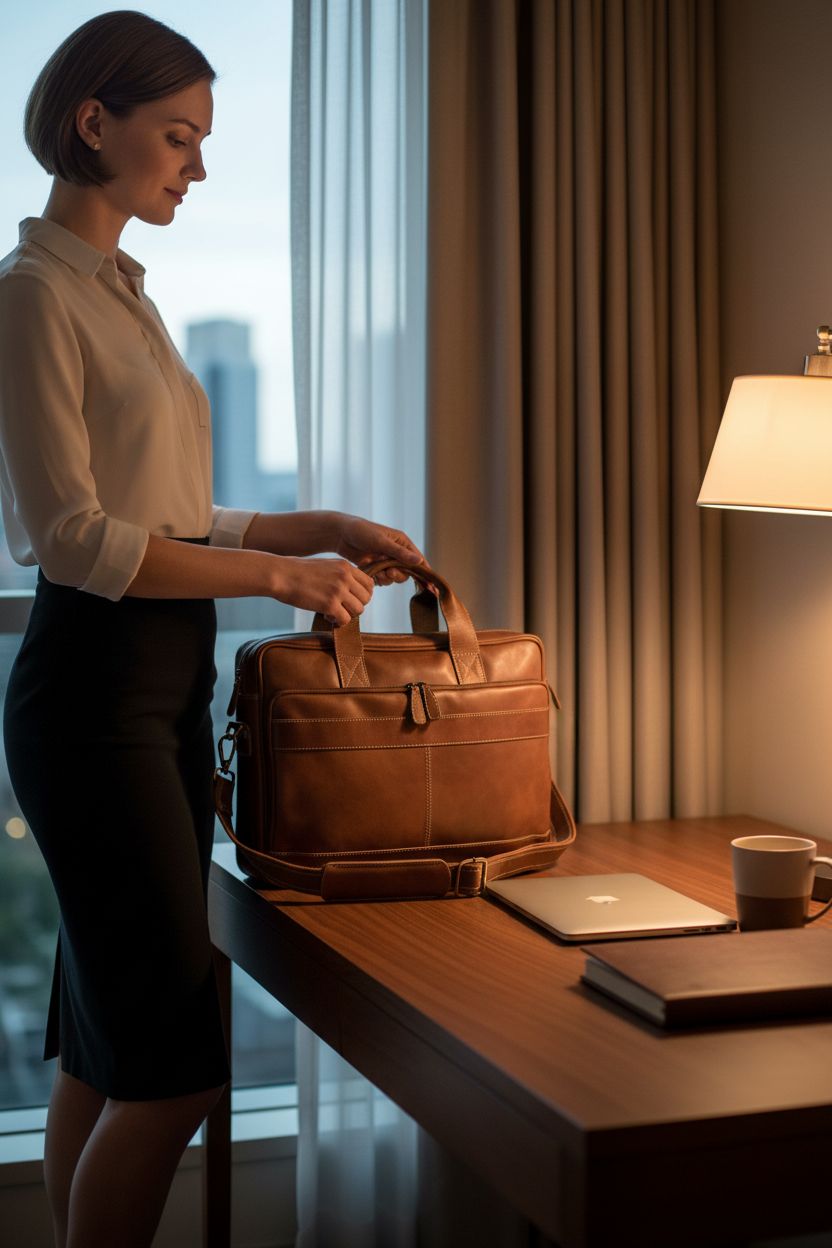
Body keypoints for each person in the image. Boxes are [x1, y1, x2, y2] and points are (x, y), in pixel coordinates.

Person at [0, 12, 427, 1248]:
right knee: (175, 1065)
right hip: (90, 701)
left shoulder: (123, 294)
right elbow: (71, 536)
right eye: (178, 136)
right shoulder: (33, 297)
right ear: (96, 125)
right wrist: (278, 584)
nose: (196, 166)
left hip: (155, 692)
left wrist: (312, 528)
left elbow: (175, 513)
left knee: (105, 1046)